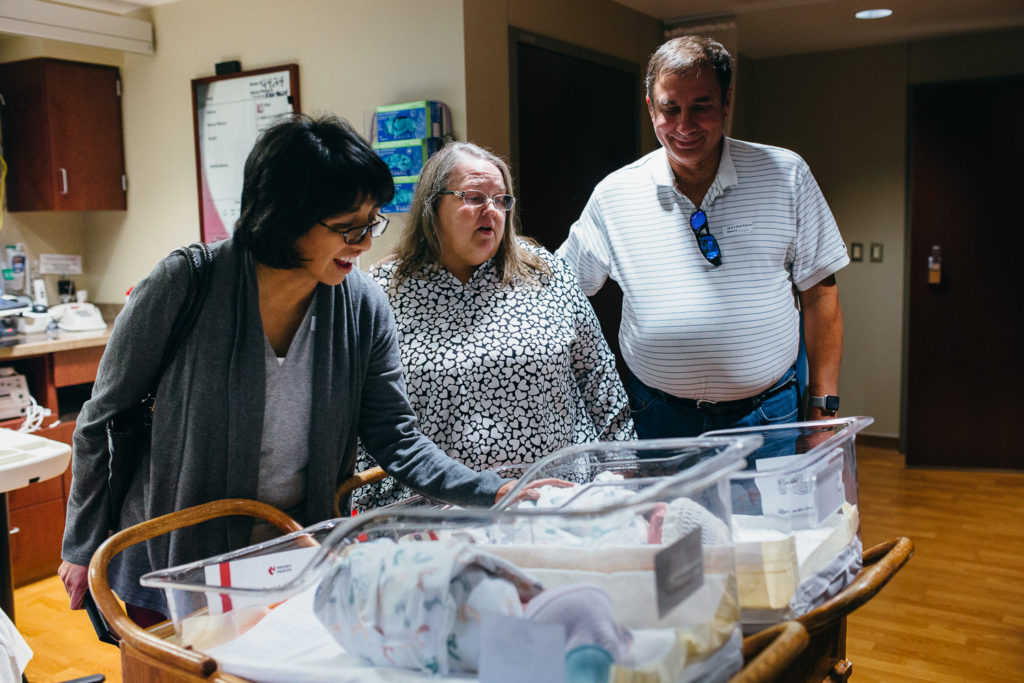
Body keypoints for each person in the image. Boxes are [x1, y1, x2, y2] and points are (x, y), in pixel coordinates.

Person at [58, 114, 544, 625]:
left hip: (296, 556)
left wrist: (493, 488)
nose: (363, 244)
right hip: (176, 562)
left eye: (371, 223)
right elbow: (102, 417)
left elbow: (397, 438)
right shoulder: (187, 284)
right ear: (283, 218)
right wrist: (81, 543)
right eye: (347, 228)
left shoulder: (362, 306)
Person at [557, 36, 848, 439]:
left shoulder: (785, 174)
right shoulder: (614, 195)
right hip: (656, 416)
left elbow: (821, 295)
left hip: (766, 416)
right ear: (650, 107)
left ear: (726, 102)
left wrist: (822, 409)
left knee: (760, 508)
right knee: (664, 508)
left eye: (701, 107)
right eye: (670, 109)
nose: (684, 126)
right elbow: (560, 291)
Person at [354, 141, 634, 510]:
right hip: (435, 511)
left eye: (502, 200)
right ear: (432, 206)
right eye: (474, 197)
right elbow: (368, 421)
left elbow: (599, 377)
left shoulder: (546, 274)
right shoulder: (384, 290)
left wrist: (623, 474)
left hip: (554, 501)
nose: (492, 210)